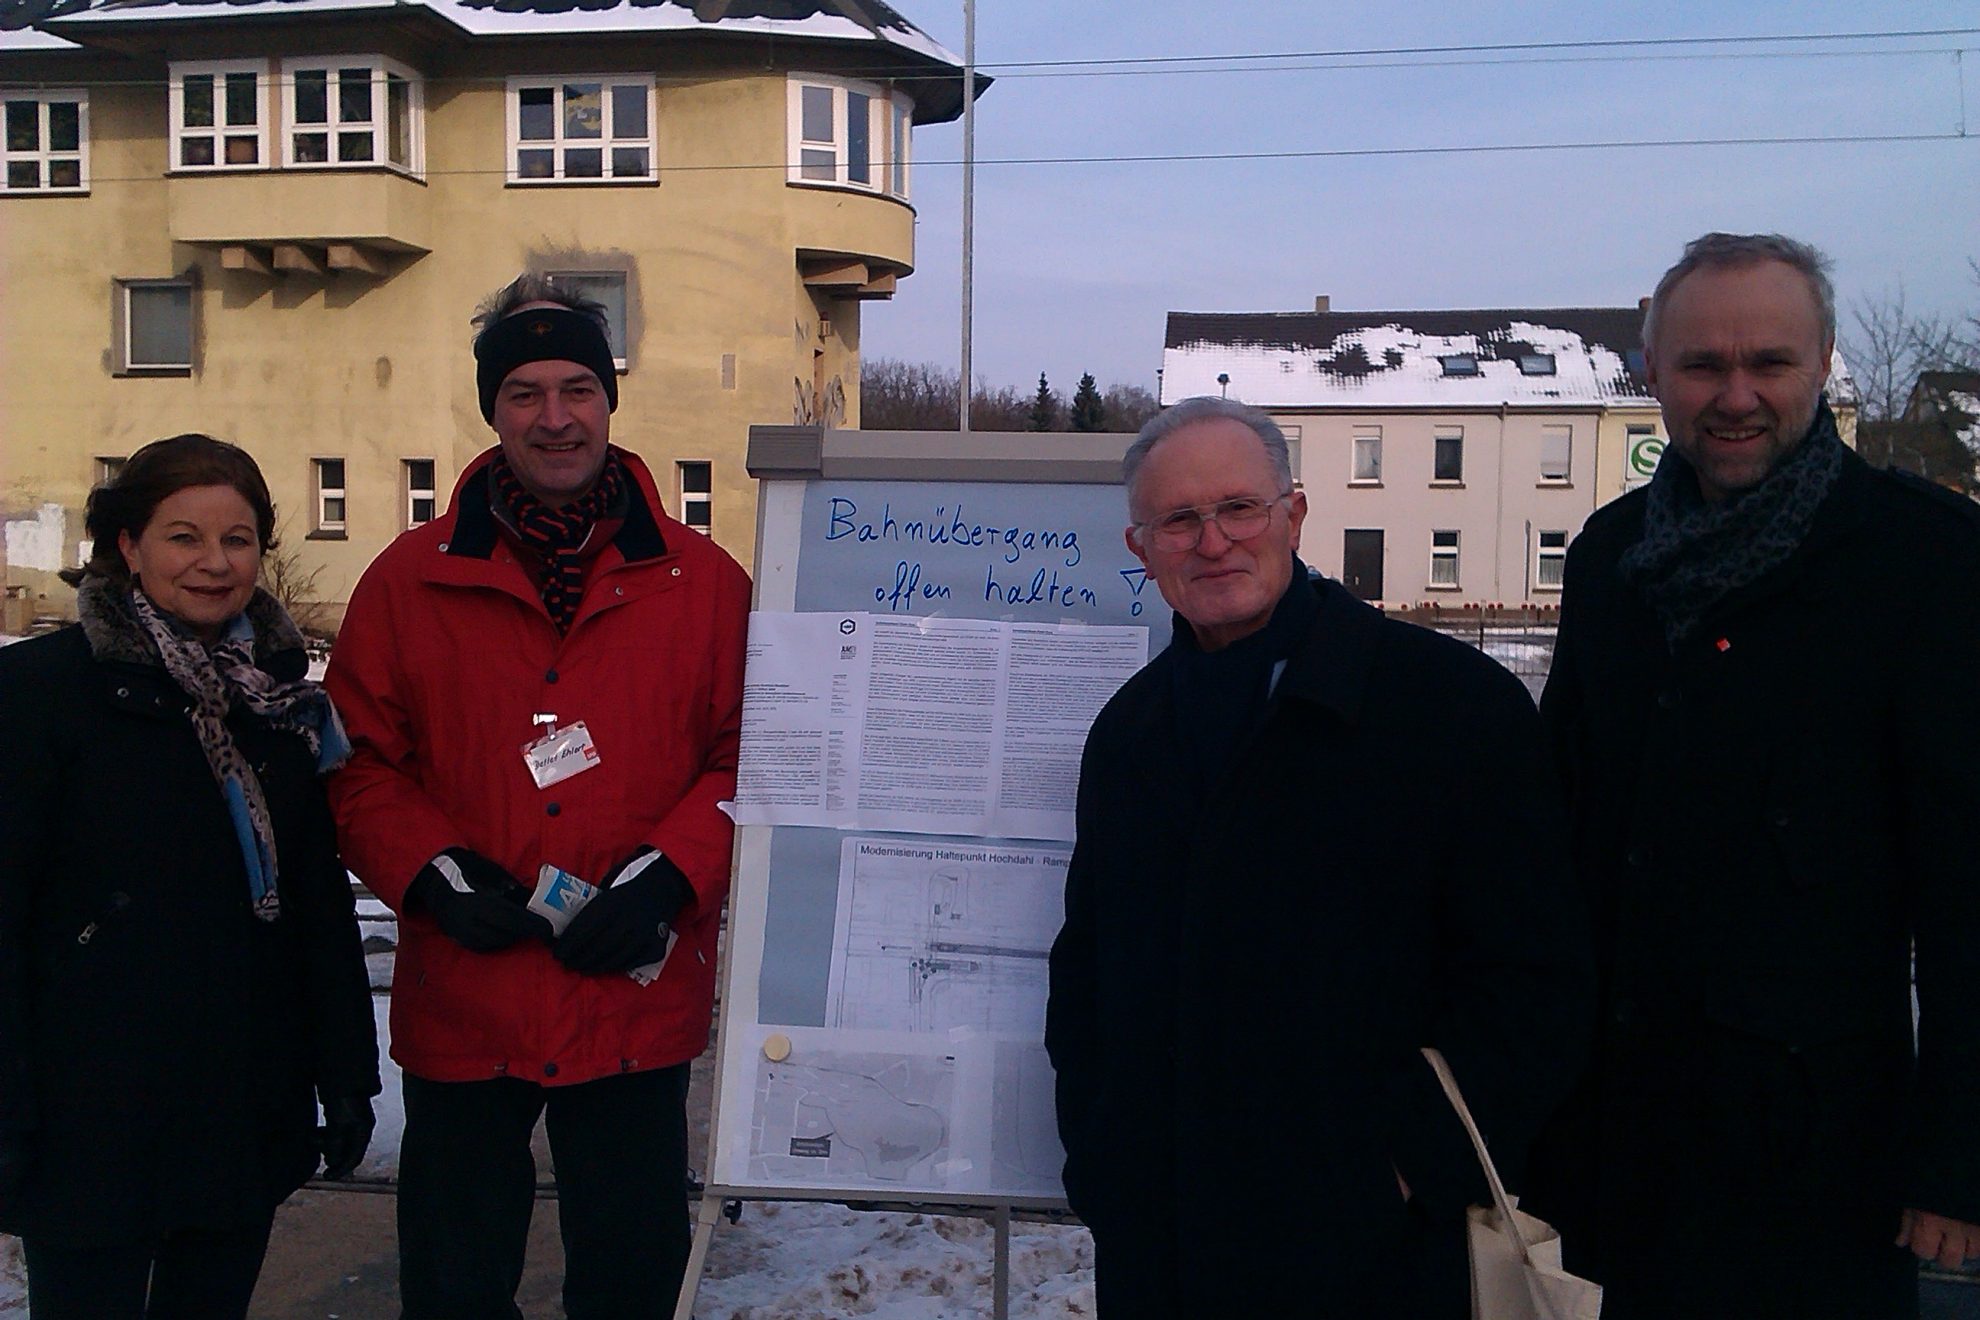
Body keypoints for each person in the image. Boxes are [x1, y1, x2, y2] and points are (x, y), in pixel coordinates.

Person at [1044, 396, 1593, 1317]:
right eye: (1179, 519)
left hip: (1373, 1252)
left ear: (1293, 516)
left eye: (1239, 509)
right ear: (1141, 549)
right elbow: (1089, 967)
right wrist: (1104, 1155)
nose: (1212, 541)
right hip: (1165, 1243)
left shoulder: (1449, 709)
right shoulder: (1131, 732)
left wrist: (1411, 1167)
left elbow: (1535, 976)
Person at [1529, 232, 1980, 1318]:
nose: (1737, 396)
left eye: (1768, 363)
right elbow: (1560, 824)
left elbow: (1973, 883)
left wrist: (1958, 1158)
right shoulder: (1610, 556)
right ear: (1654, 375)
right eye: (1702, 365)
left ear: (1822, 362)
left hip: (1815, 1154)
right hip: (1617, 1137)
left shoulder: (1925, 560)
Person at [326, 273, 750, 1319]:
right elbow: (355, 758)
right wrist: (429, 874)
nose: (554, 418)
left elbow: (755, 752)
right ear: (491, 406)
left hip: (629, 991)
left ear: (610, 400)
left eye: (576, 389)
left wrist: (666, 879)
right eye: (524, 391)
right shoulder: (407, 579)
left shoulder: (704, 583)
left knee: (630, 1273)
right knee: (456, 1280)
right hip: (472, 987)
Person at [0, 434, 379, 1320]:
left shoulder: (280, 698)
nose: (214, 563)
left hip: (238, 1103)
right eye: (184, 537)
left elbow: (314, 903)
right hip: (86, 1112)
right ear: (127, 545)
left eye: (238, 539)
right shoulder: (40, 693)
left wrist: (344, 1069)